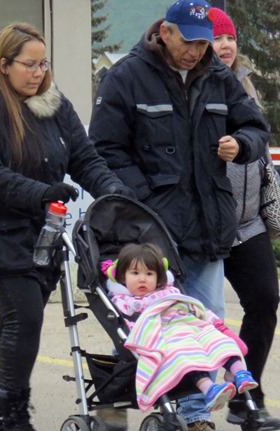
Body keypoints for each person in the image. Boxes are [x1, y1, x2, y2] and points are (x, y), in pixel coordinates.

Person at [89, 0, 270, 429]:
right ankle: (121, 399)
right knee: (146, 323)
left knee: (204, 327)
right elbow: (105, 149)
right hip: (150, 231)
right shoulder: (126, 76)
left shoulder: (219, 76)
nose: (195, 51)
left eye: (203, 43)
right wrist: (146, 199)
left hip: (208, 227)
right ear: (166, 32)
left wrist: (240, 144)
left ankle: (192, 413)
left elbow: (256, 128)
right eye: (188, 41)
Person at [0, 23, 132, 431]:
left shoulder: (54, 102)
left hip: (44, 235)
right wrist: (40, 191)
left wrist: (114, 192)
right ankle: (13, 417)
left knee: (15, 323)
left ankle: (2, 416)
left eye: (43, 64)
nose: (39, 73)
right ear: (4, 66)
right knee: (25, 316)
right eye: (29, 65)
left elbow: (85, 159)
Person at [208, 7, 280, 429]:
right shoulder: (193, 88)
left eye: (230, 38)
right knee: (203, 313)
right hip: (202, 225)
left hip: (248, 223)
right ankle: (192, 398)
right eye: (218, 38)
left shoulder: (245, 87)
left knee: (264, 302)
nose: (226, 45)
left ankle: (246, 396)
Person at [103, 243, 257, 413]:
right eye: (135, 273)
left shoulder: (169, 292)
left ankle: (240, 374)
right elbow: (135, 328)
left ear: (159, 277)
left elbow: (192, 307)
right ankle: (209, 389)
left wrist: (216, 324)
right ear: (122, 277)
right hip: (165, 335)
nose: (142, 279)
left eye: (149, 274)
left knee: (219, 341)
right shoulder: (124, 301)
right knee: (184, 355)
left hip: (188, 326)